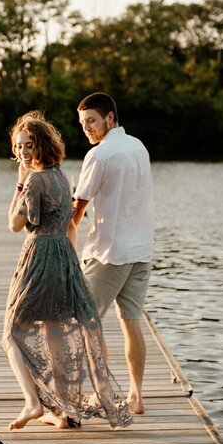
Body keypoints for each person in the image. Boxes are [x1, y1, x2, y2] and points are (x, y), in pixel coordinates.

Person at [2, 110, 133, 431]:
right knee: (56, 333)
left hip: (40, 255)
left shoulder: (33, 179)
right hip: (64, 255)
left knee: (11, 334)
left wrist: (19, 182)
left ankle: (33, 402)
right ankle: (65, 413)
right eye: (18, 146)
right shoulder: (62, 176)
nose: (22, 152)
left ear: (42, 145)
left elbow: (15, 224)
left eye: (28, 145)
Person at [70, 92, 154, 415]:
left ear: (110, 117)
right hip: (141, 250)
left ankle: (103, 395)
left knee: (86, 322)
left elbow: (80, 205)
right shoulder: (139, 147)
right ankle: (136, 396)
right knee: (131, 322)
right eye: (82, 123)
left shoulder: (99, 155)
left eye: (91, 121)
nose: (86, 129)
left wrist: (66, 237)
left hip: (110, 254)